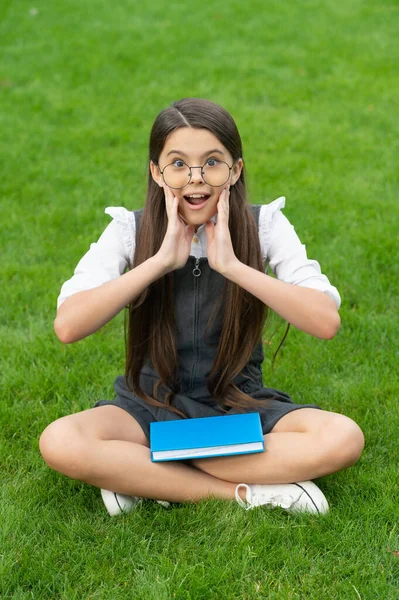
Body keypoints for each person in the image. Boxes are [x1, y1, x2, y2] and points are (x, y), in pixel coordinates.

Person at [39, 98, 364, 516]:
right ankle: (246, 493)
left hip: (238, 404)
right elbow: (68, 326)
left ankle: (144, 475)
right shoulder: (127, 230)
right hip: (150, 407)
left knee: (343, 438)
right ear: (157, 172)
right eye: (177, 164)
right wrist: (159, 262)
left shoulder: (265, 224)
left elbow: (324, 321)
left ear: (236, 169)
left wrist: (231, 266)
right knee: (60, 441)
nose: (196, 179)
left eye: (212, 162)